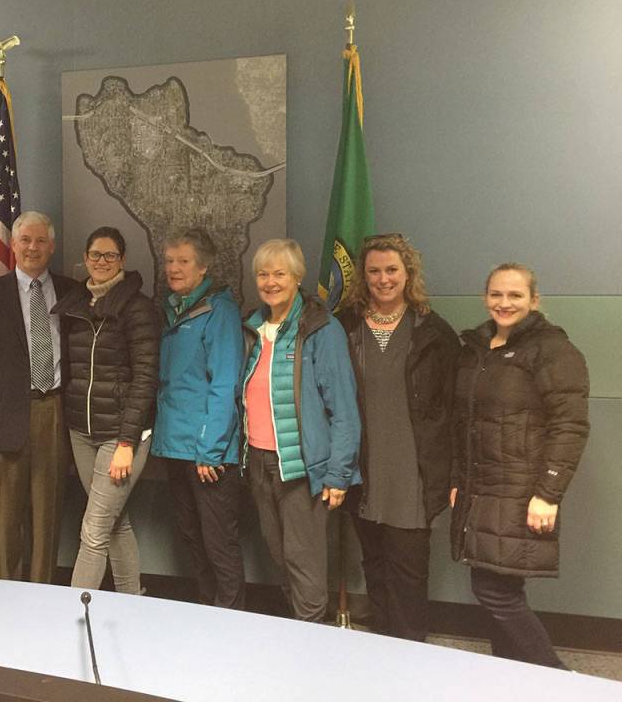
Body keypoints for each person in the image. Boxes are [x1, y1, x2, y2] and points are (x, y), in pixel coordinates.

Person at [450, 263, 589, 668]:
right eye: (497, 294)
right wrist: (460, 479)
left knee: (496, 591)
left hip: (521, 490)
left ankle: (558, 680)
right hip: (481, 487)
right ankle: (513, 679)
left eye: (515, 295)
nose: (504, 303)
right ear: (485, 297)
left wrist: (548, 493)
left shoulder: (552, 349)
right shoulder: (478, 349)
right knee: (499, 586)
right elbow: (466, 424)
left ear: (534, 300)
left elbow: (570, 425)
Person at [335, 234, 459, 640]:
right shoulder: (345, 327)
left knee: (408, 575)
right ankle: (383, 653)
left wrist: (453, 474)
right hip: (363, 472)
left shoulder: (434, 332)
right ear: (363, 276)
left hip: (413, 475)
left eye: (392, 270)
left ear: (408, 274)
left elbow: (453, 411)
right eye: (374, 270)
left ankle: (410, 656)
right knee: (375, 566)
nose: (383, 278)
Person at [241, 239, 361, 622]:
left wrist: (338, 474)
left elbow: (343, 408)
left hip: (301, 468)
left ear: (297, 277)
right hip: (259, 462)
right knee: (279, 557)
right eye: (263, 274)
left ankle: (312, 649)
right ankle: (298, 635)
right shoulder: (253, 327)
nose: (270, 281)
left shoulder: (321, 329)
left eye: (279, 273)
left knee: (304, 562)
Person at [0, 211, 80, 582]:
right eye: (25, 240)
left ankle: (41, 595)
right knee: (5, 520)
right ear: (12, 246)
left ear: (52, 247)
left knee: (47, 518)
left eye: (40, 240)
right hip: (3, 419)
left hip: (56, 412)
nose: (32, 247)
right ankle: (4, 597)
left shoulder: (71, 292)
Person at [51, 227, 159, 594]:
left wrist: (127, 442)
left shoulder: (139, 308)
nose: (101, 262)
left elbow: (145, 377)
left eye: (109, 256)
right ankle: (132, 598)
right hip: (82, 432)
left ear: (122, 261)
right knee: (114, 522)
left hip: (121, 436)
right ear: (85, 258)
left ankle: (74, 613)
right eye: (95, 255)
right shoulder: (75, 304)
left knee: (94, 528)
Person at [151, 229, 245, 609]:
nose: (173, 268)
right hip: (176, 446)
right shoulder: (171, 308)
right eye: (169, 261)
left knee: (218, 540)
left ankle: (231, 618)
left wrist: (211, 450)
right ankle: (208, 612)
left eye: (183, 261)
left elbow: (224, 383)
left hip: (208, 453)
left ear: (203, 267)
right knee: (191, 535)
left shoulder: (219, 311)